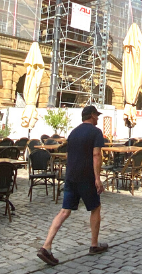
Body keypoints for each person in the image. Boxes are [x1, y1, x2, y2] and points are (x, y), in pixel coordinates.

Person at [38, 105, 108, 266]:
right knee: (95, 208)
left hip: (71, 176)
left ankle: (46, 246)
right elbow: (96, 154)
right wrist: (97, 179)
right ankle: (94, 245)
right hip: (86, 176)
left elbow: (69, 155)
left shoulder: (73, 132)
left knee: (64, 211)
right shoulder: (96, 132)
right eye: (96, 115)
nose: (97, 118)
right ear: (91, 115)